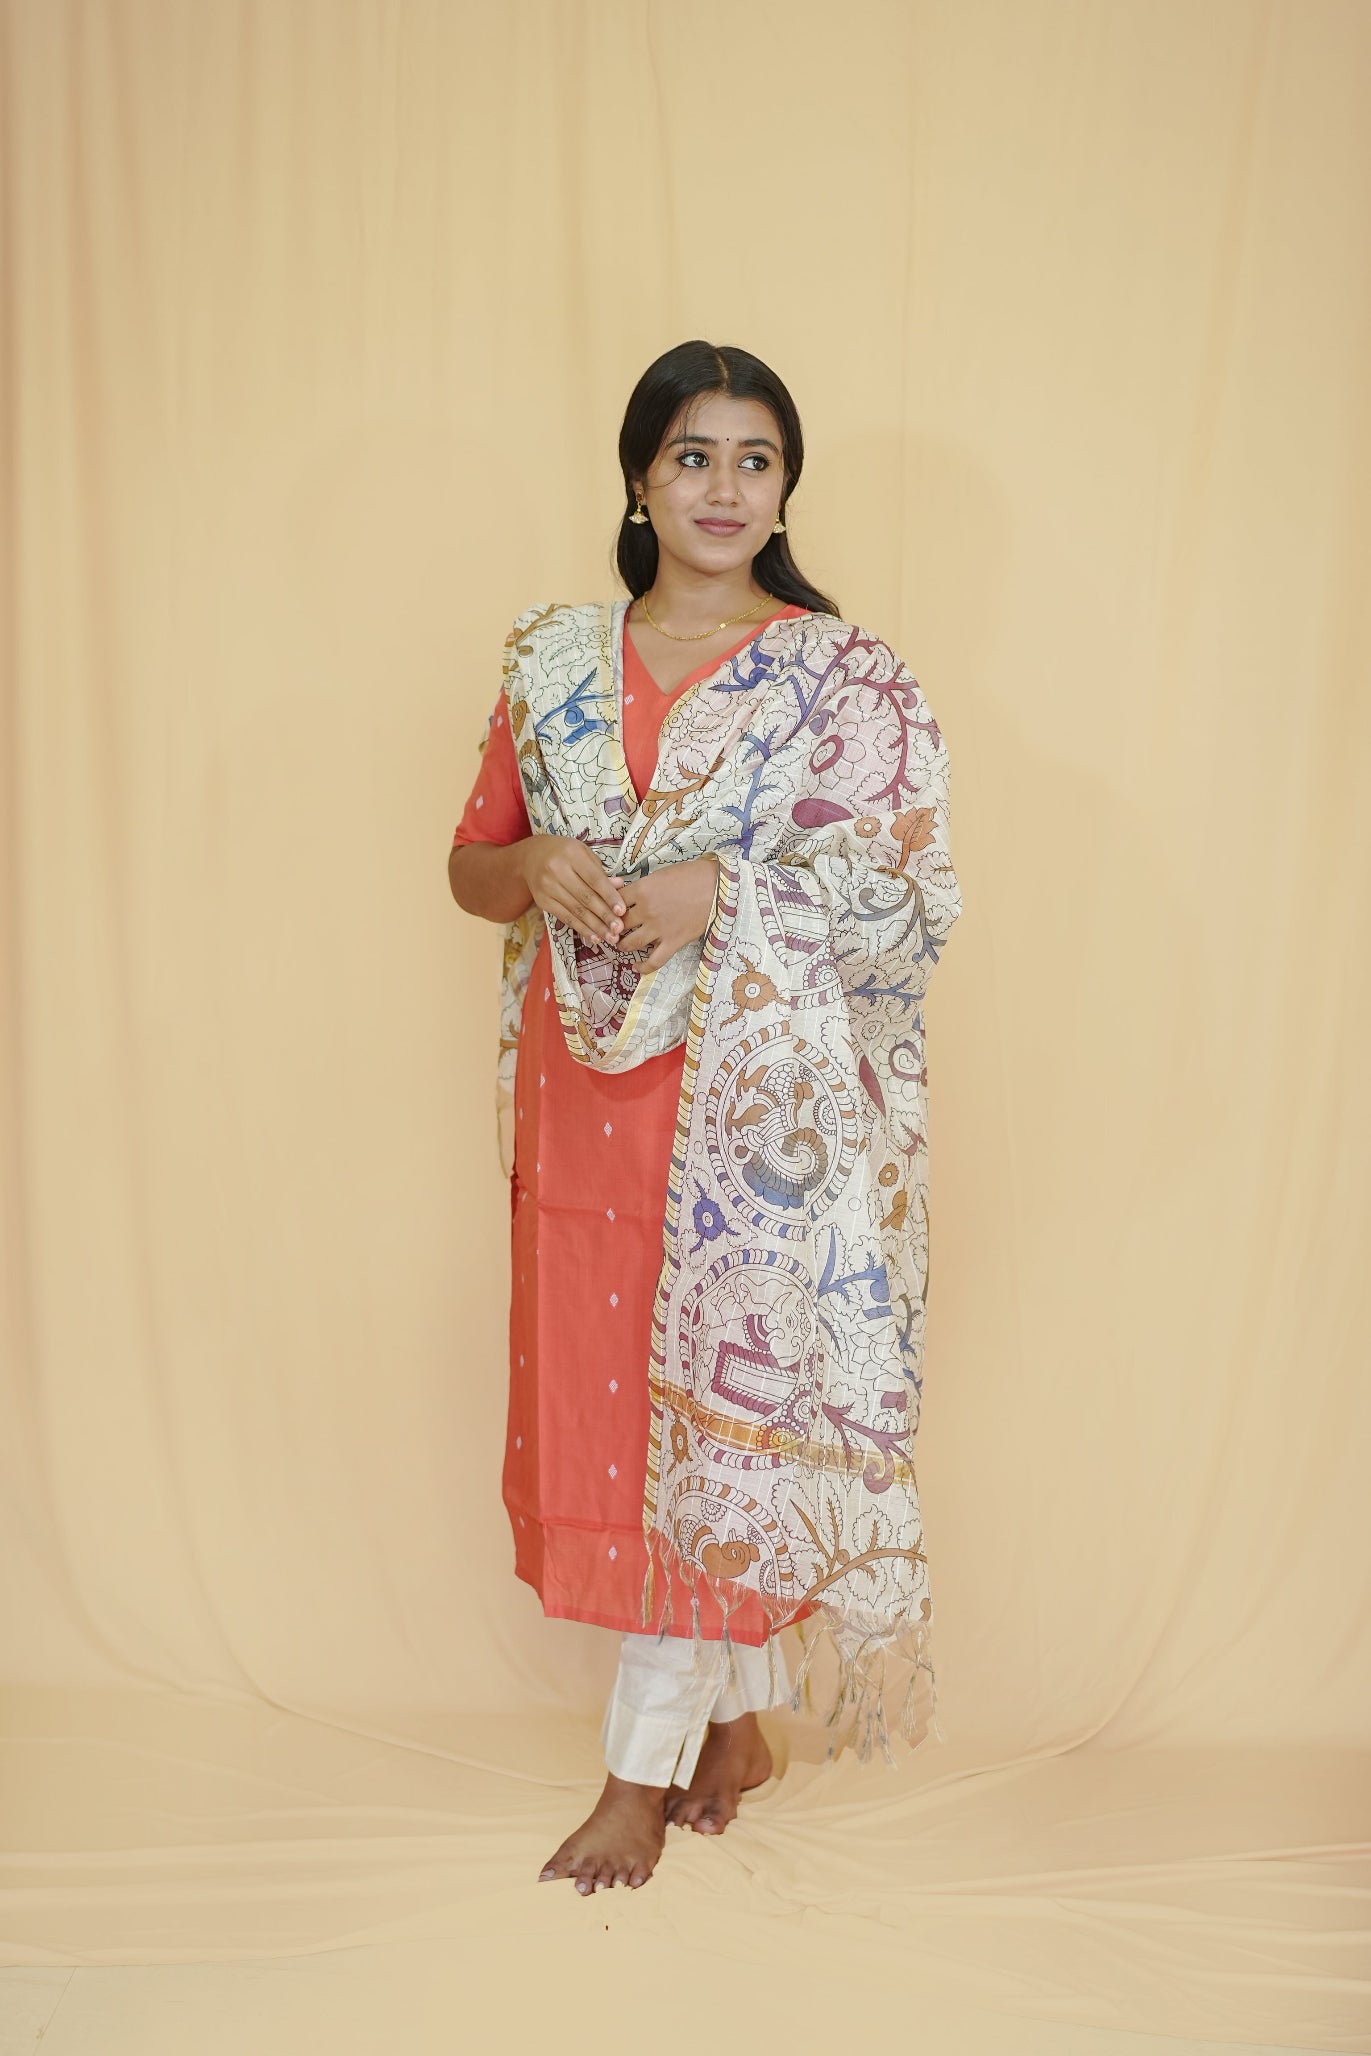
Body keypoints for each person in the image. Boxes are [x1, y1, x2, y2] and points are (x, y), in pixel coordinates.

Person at [447, 340, 961, 1897]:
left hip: (760, 1120)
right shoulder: (549, 661)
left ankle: (634, 1775)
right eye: (691, 455)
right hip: (585, 1096)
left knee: (713, 1400)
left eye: (753, 458)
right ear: (638, 478)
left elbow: (906, 905)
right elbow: (471, 867)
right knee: (619, 1403)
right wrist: (536, 869)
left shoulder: (847, 682)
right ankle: (731, 1728)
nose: (723, 486)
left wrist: (722, 890)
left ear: (787, 485)